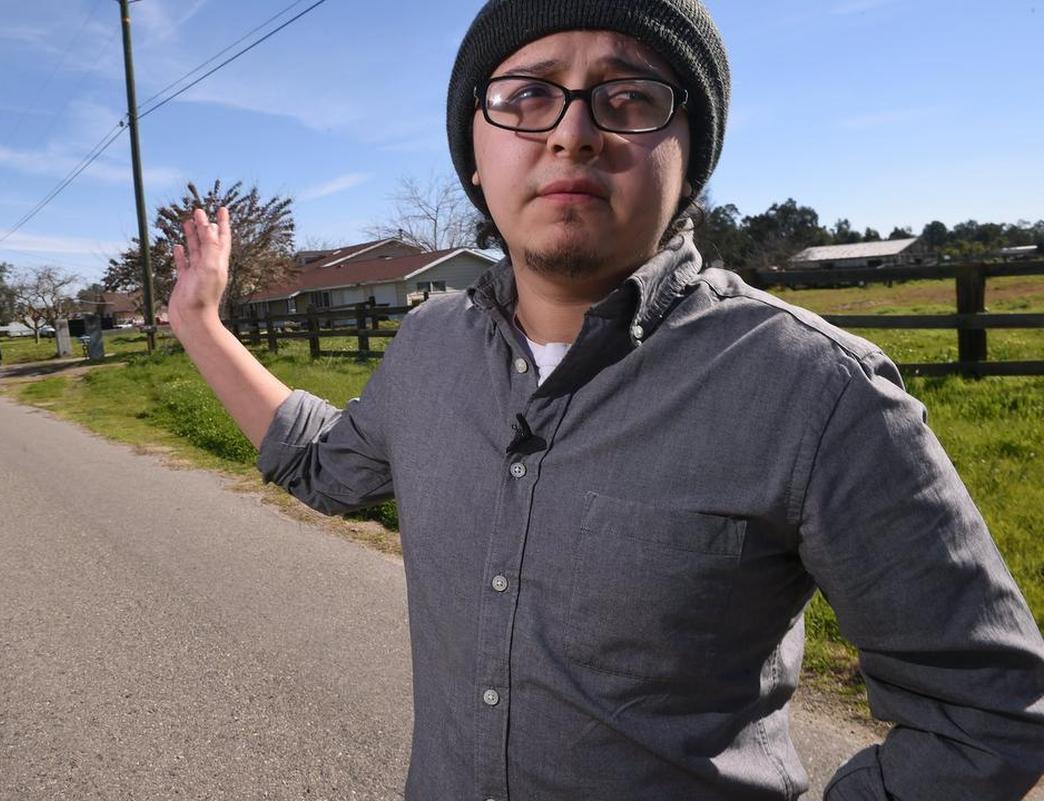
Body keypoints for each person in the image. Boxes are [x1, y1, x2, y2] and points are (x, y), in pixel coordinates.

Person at [168, 1, 1044, 798]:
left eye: (628, 97)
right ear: (474, 156)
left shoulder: (814, 389)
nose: (573, 133)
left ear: (691, 161)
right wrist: (199, 321)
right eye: (526, 96)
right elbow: (321, 463)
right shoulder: (427, 349)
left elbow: (990, 715)